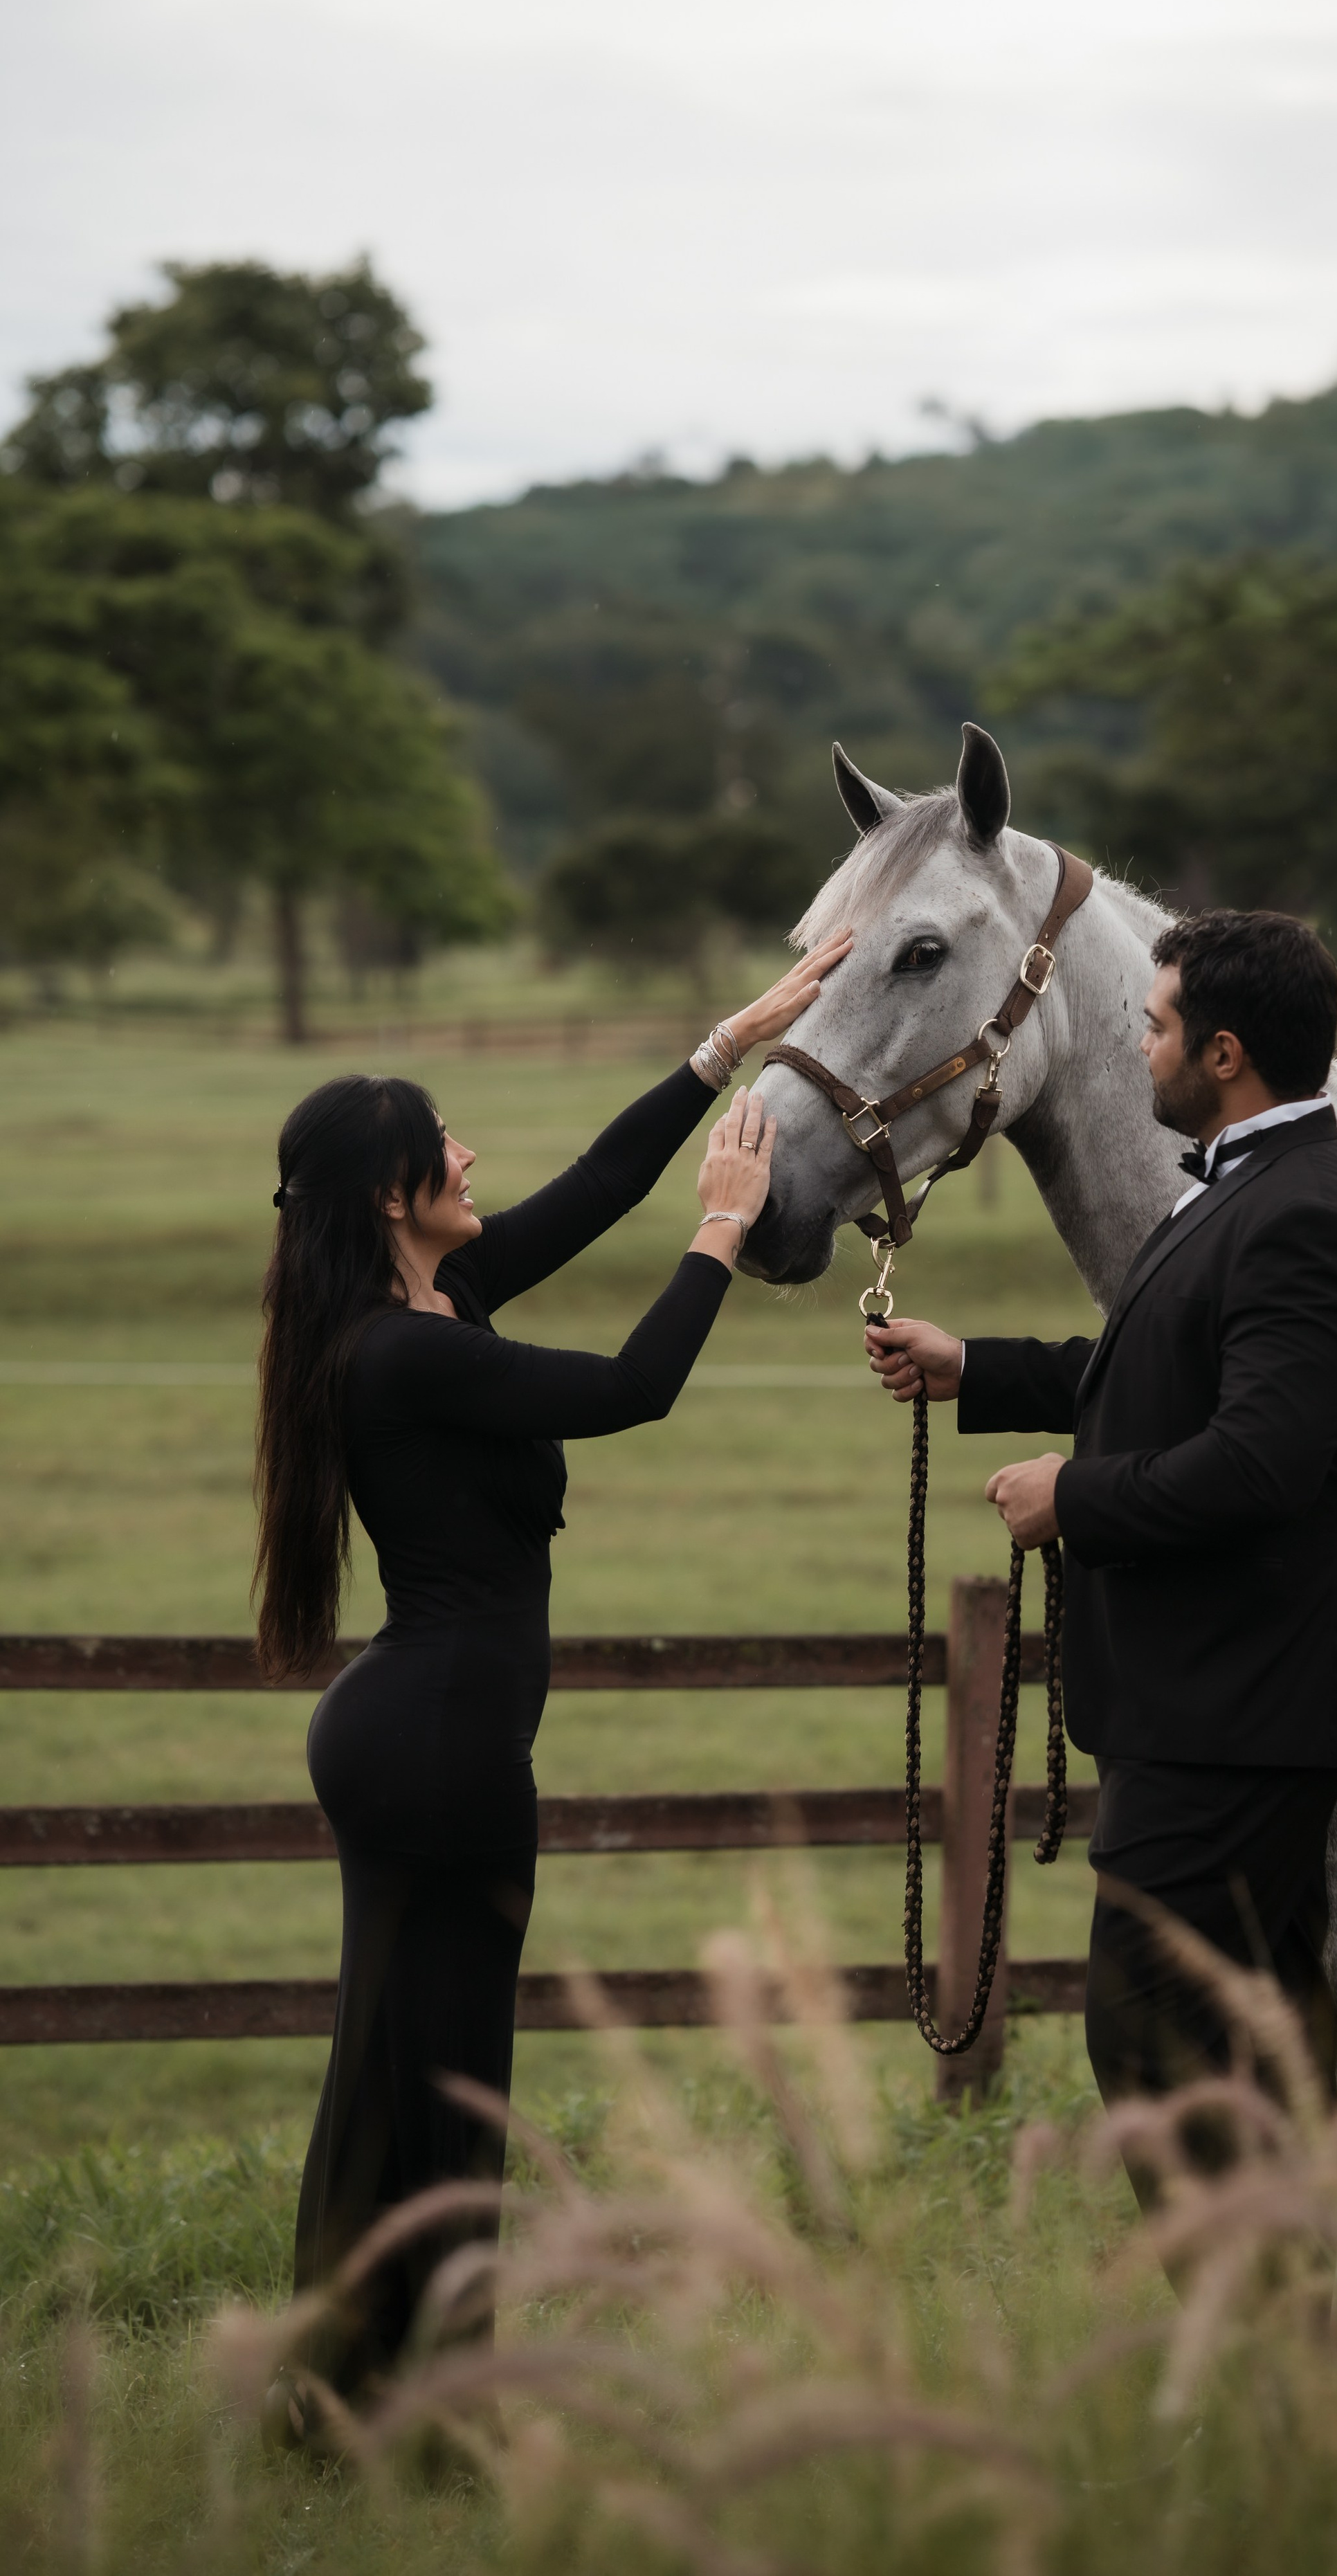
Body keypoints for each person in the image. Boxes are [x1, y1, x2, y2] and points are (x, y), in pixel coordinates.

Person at [253, 932, 848, 2436]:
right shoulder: (399, 1355)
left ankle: (355, 2390)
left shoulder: (437, 1306)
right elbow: (628, 1392)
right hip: (438, 1744)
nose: (467, 1151)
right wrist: (723, 1230)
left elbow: (591, 1185)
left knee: (404, 2065)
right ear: (391, 1196)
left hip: (419, 1730)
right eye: (437, 1143)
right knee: (444, 2076)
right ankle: (428, 2404)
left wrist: (726, 1044)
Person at [866, 909, 1337, 2175]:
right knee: (1251, 2041)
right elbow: (1164, 1370)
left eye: (1157, 1027)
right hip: (1215, 1699)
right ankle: (1284, 2337)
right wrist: (974, 1369)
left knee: (1151, 2033)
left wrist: (1076, 1498)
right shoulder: (1247, 1187)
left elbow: (1262, 1464)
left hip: (1239, 1710)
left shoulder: (1304, 1213)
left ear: (1224, 1054)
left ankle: (1249, 2308)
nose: (1139, 1046)